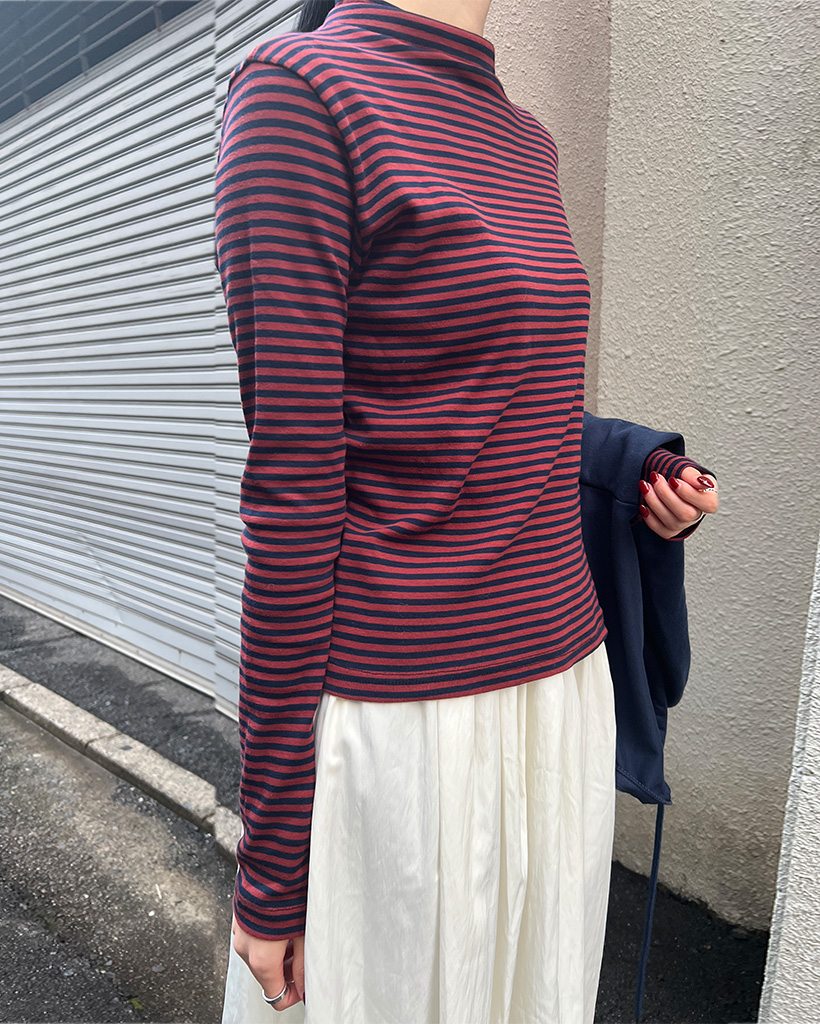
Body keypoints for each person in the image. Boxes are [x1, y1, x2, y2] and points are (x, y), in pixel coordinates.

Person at [213, 1, 719, 1021]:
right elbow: (294, 493)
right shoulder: (299, 94)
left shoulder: (524, 137)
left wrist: (637, 475)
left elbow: (497, 403)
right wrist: (272, 858)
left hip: (560, 700)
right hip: (410, 729)